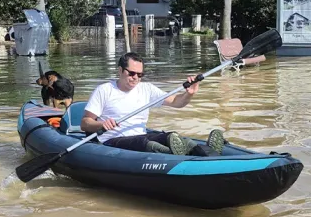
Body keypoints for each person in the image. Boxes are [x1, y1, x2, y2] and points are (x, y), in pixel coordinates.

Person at [80, 52, 225, 156]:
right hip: (112, 140)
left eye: (140, 75)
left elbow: (177, 102)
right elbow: (85, 123)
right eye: (131, 73)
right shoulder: (104, 90)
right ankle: (180, 157)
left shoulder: (147, 89)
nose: (135, 78)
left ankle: (210, 153)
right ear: (120, 70)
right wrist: (102, 124)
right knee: (148, 145)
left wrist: (189, 93)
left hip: (141, 135)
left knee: (170, 136)